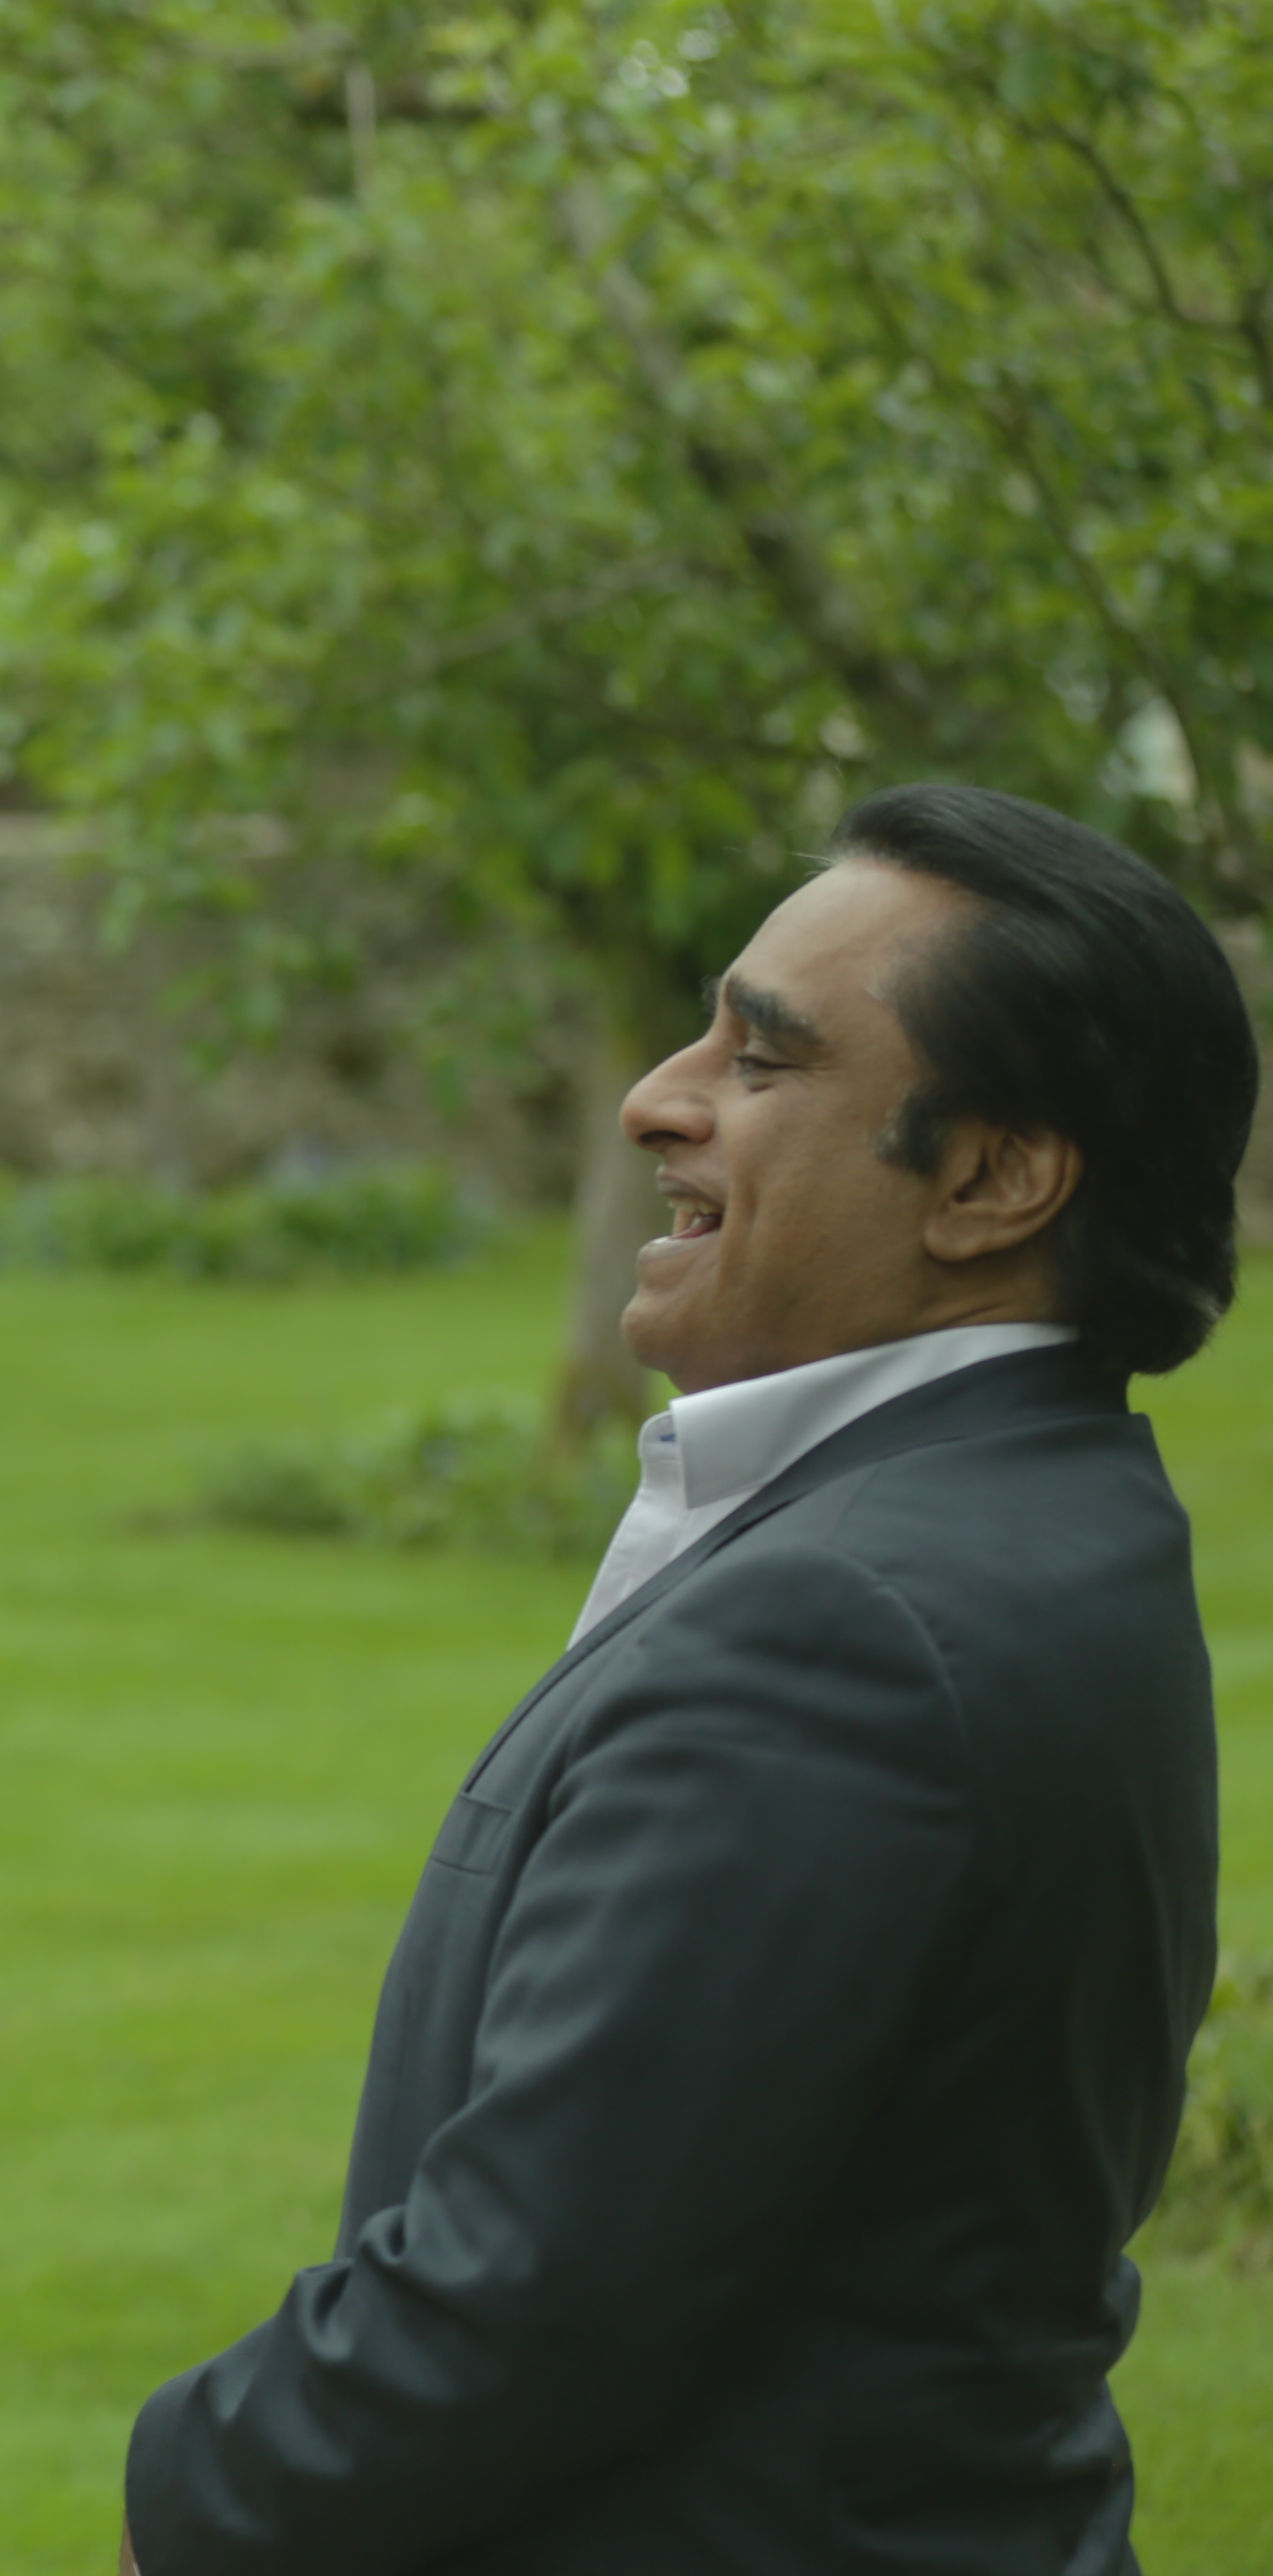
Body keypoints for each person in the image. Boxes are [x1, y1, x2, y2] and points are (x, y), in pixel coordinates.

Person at [124, 783, 1255, 2570]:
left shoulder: (851, 1629)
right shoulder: (1048, 1509)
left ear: (991, 1179)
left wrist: (193, 2501)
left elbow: (531, 2297)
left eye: (765, 1059)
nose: (659, 1095)